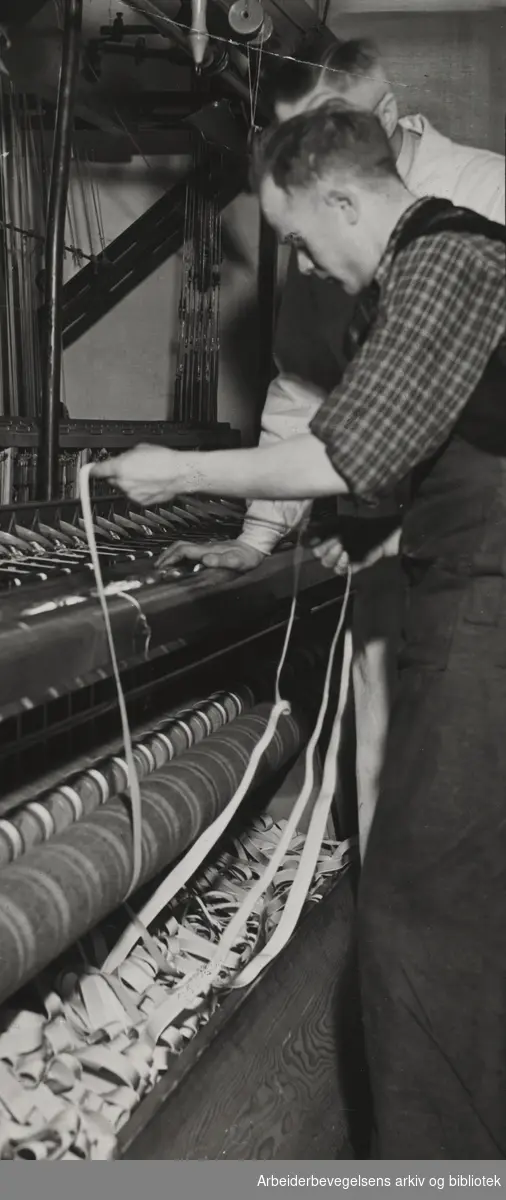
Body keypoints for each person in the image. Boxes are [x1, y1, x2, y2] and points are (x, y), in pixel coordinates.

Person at [94, 102, 506, 1158]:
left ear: (340, 195)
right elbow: (414, 450)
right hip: (463, 587)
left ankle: (435, 1170)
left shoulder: (446, 260)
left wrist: (177, 468)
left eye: (297, 238)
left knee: (423, 908)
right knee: (447, 892)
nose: (303, 264)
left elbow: (344, 453)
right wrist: (340, 537)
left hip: (489, 602)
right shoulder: (411, 279)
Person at [154, 38, 506, 856]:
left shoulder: (476, 207)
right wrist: (256, 537)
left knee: (462, 808)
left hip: (476, 545)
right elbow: (304, 389)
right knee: (390, 759)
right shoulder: (333, 240)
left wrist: (178, 471)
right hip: (403, 545)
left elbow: (360, 441)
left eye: (313, 141)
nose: (297, 163)